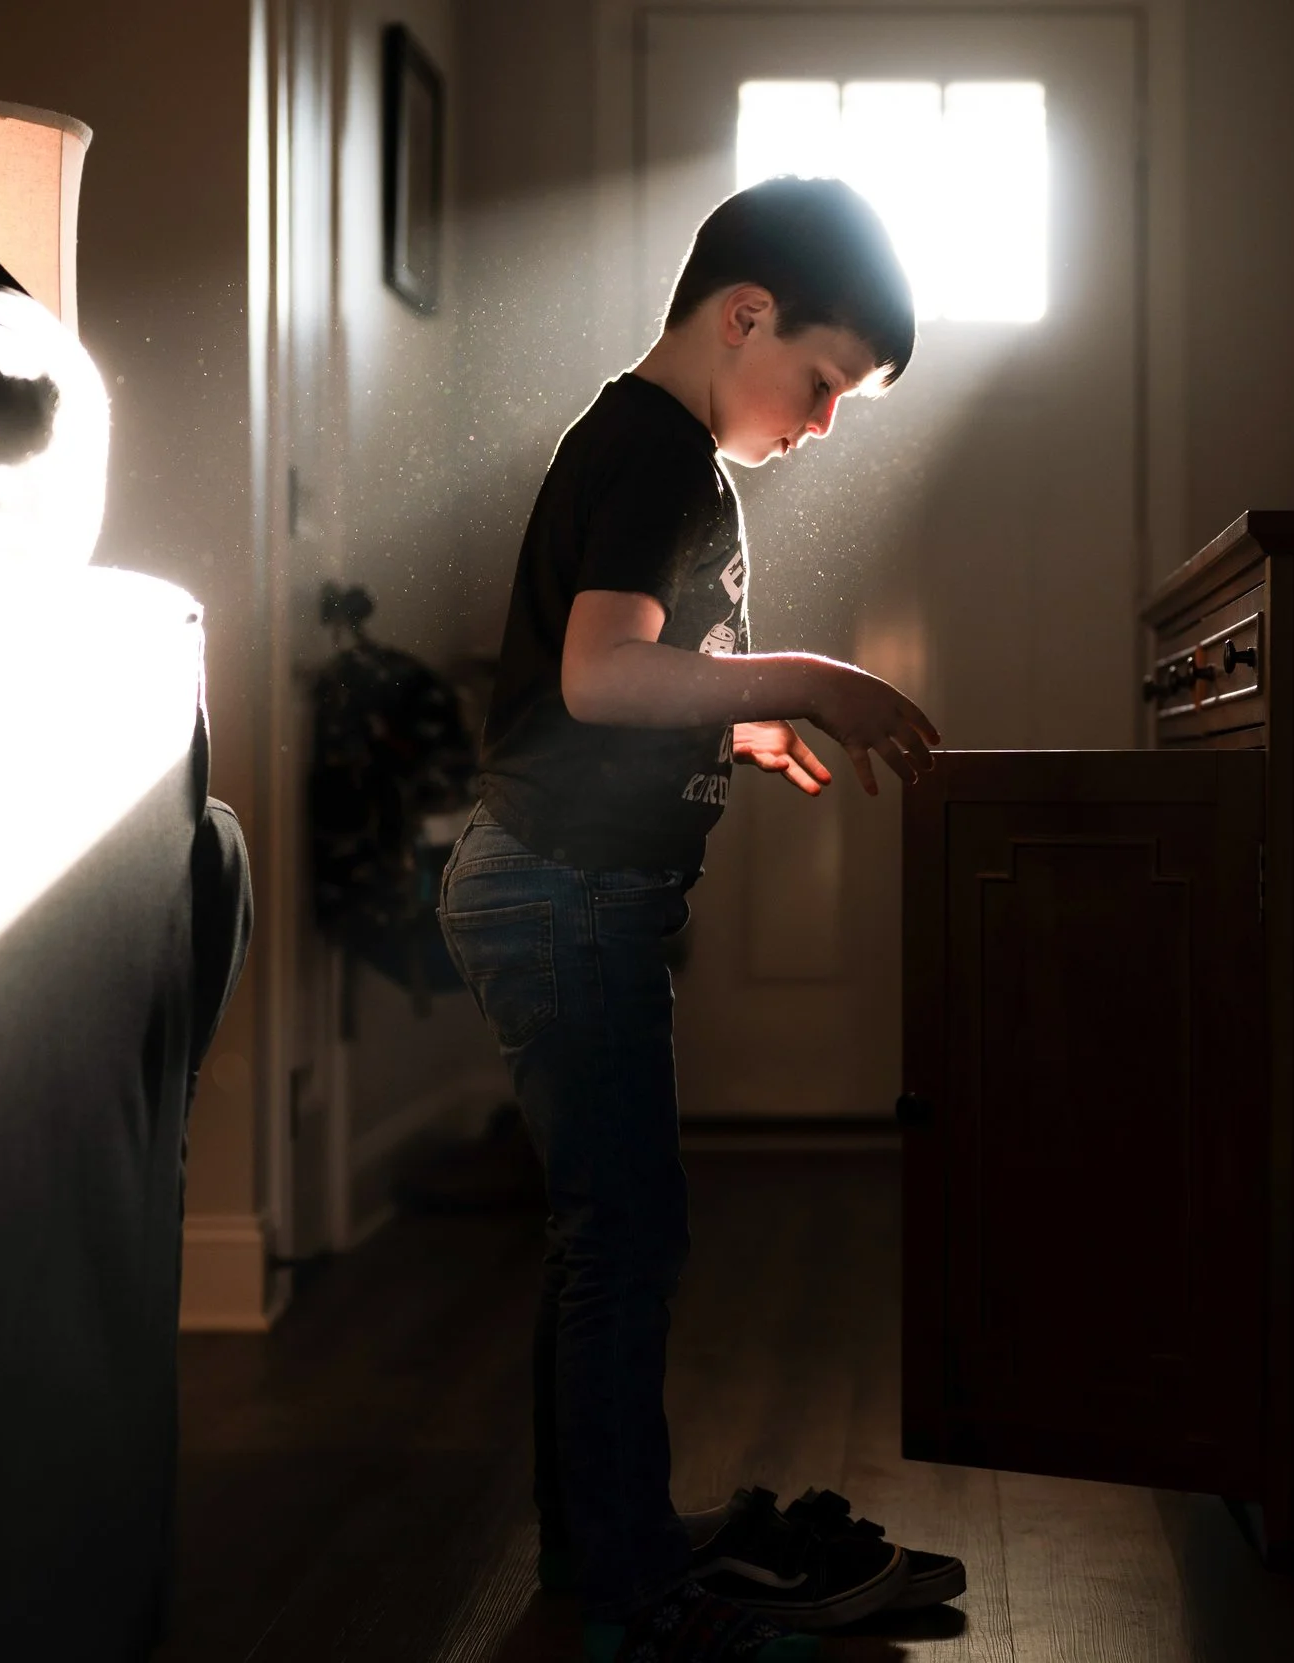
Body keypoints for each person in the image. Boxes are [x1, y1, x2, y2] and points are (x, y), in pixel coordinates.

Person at [439, 176, 959, 1663]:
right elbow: (605, 674)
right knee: (627, 1238)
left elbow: (603, 685)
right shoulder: (656, 454)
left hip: (558, 881)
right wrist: (796, 677)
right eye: (821, 381)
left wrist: (720, 730)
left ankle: (597, 1541)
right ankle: (627, 1582)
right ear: (745, 316)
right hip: (562, 891)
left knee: (604, 1235)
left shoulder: (656, 450)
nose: (821, 422)